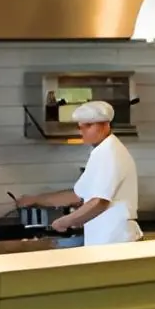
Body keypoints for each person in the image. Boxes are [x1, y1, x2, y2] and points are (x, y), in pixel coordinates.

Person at [18, 101, 142, 246]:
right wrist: (35, 199)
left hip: (115, 238)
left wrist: (66, 221)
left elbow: (99, 202)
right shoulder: (100, 152)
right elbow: (77, 195)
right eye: (80, 126)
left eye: (88, 126)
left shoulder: (110, 153)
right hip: (104, 237)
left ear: (105, 125)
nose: (82, 131)